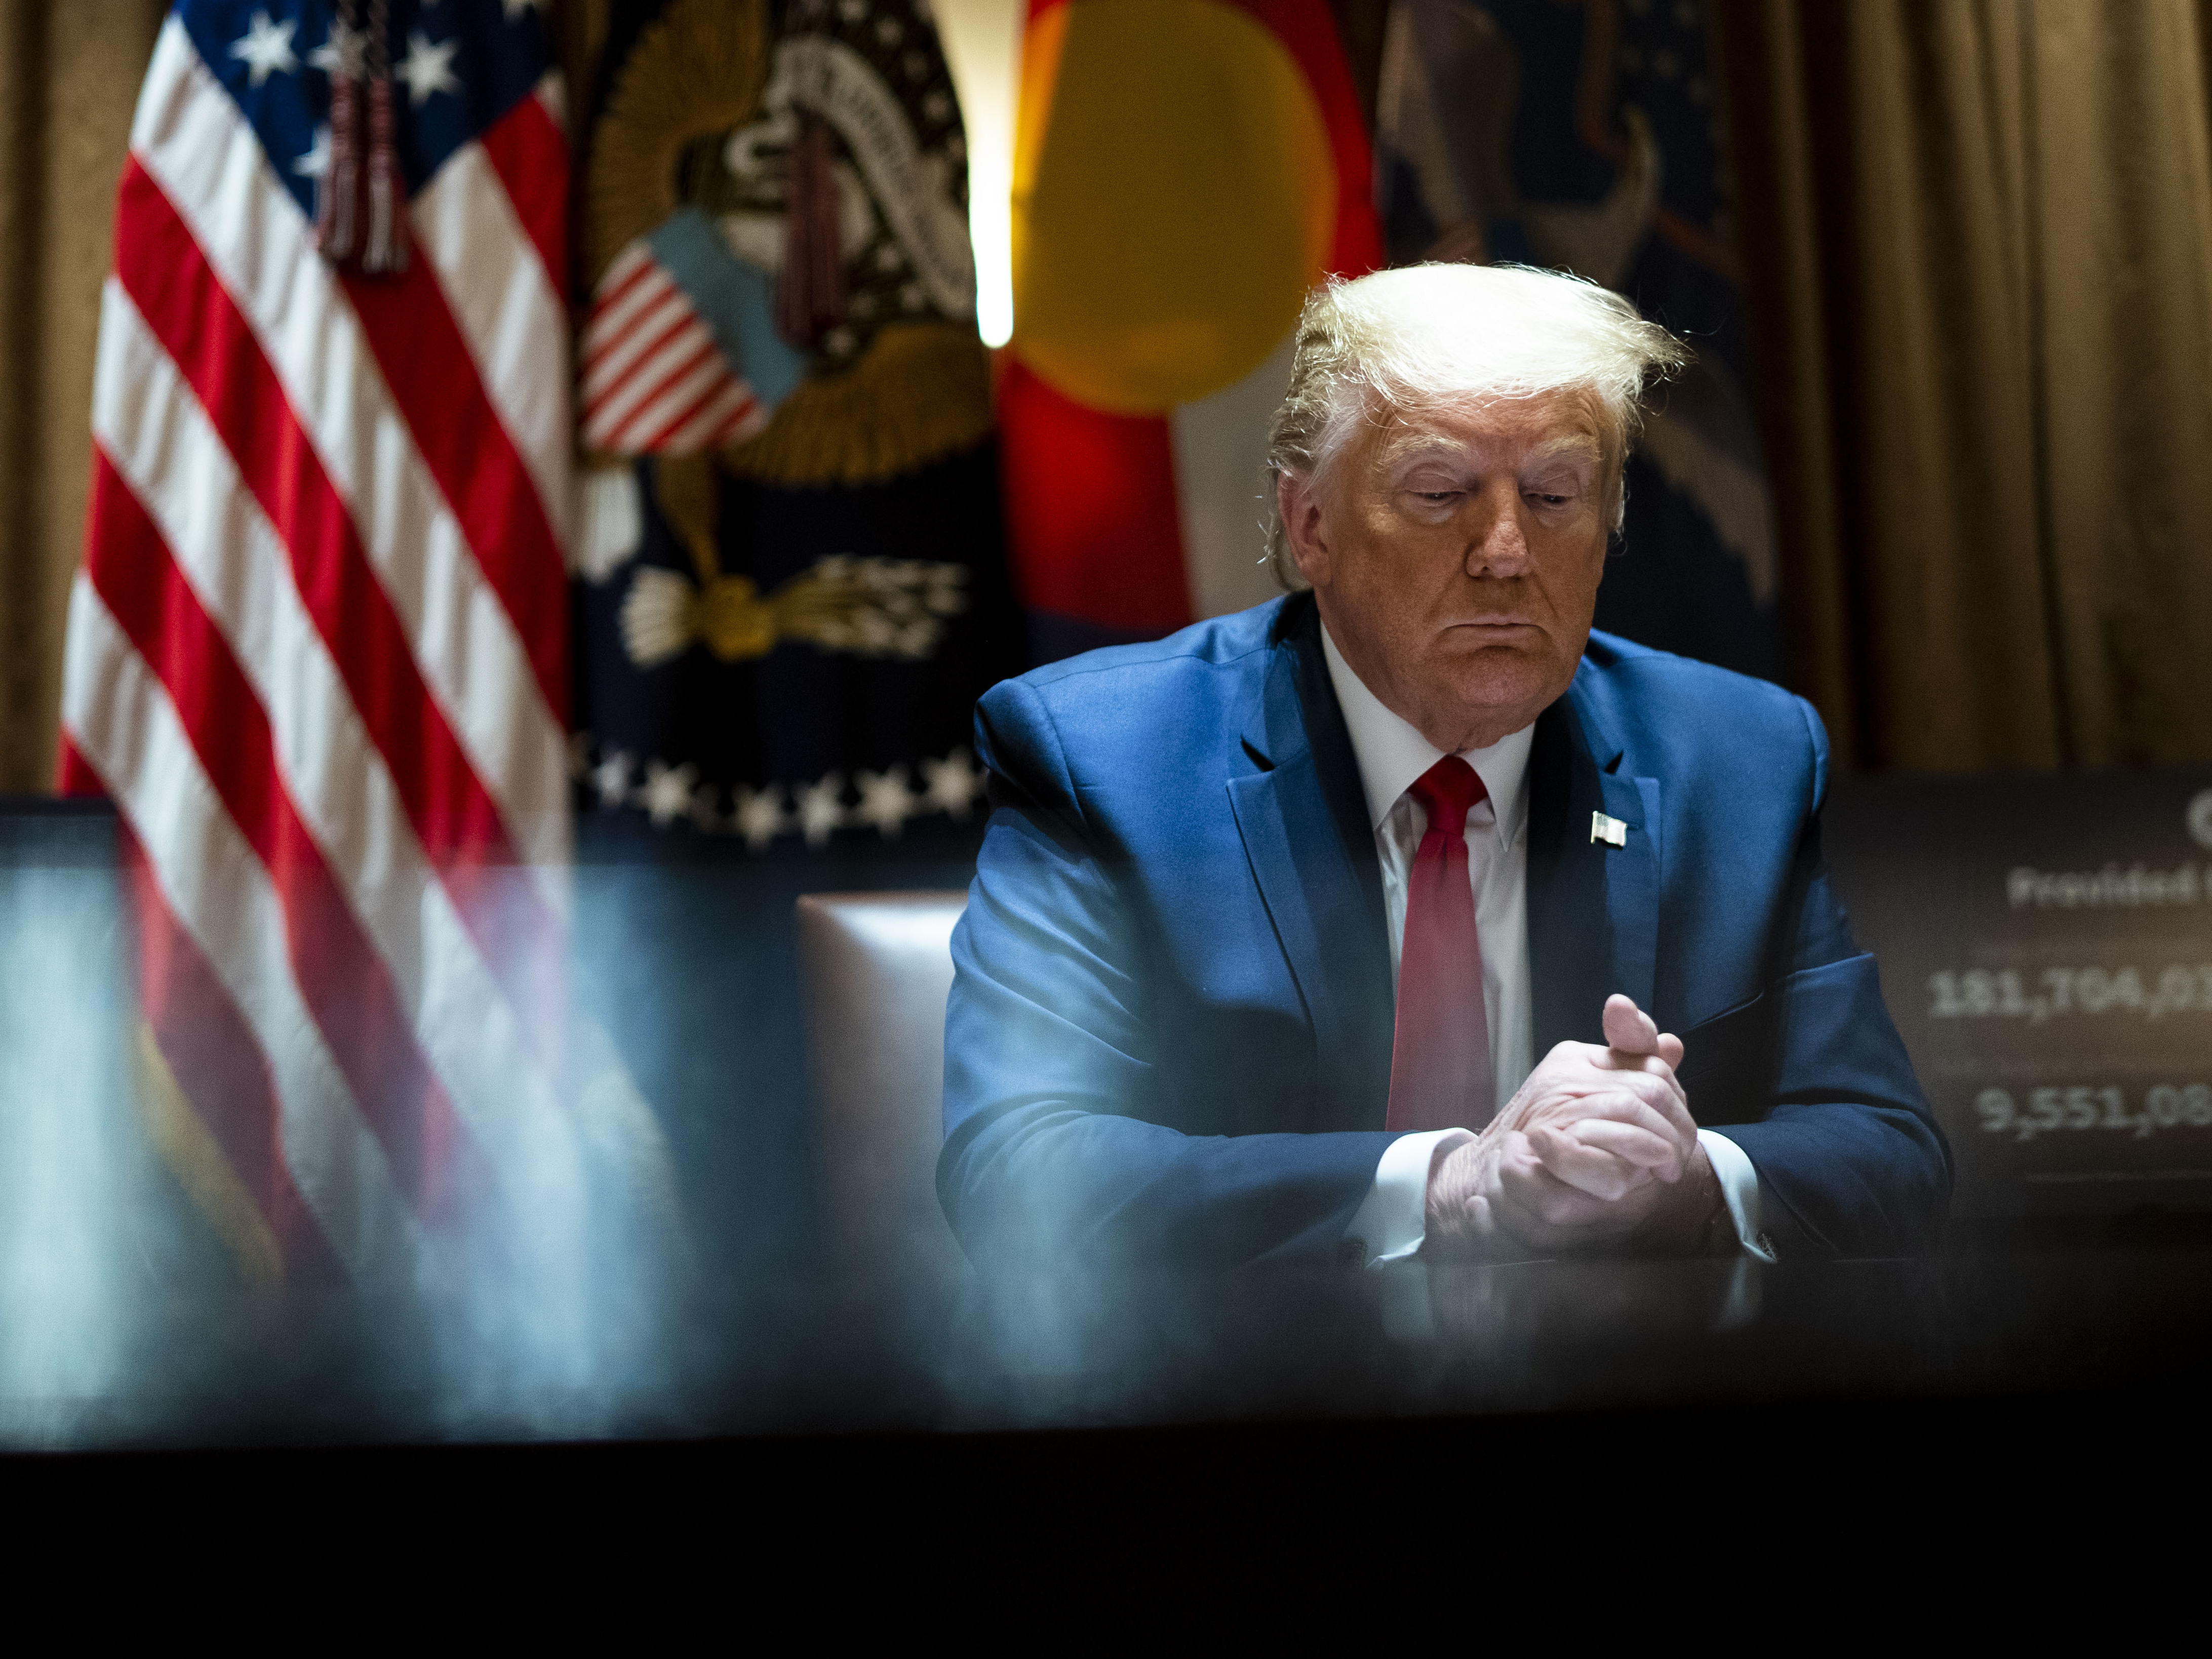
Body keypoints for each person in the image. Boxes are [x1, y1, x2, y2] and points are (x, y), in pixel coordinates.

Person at [939, 263, 1948, 1273]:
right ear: (1311, 528)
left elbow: (1888, 1147)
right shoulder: (1101, 760)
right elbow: (1020, 1168)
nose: (1507, 550)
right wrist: (1445, 1185)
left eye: (1555, 493)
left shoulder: (1742, 761)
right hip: (1249, 1399)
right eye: (1439, 493)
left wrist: (1696, 1182)